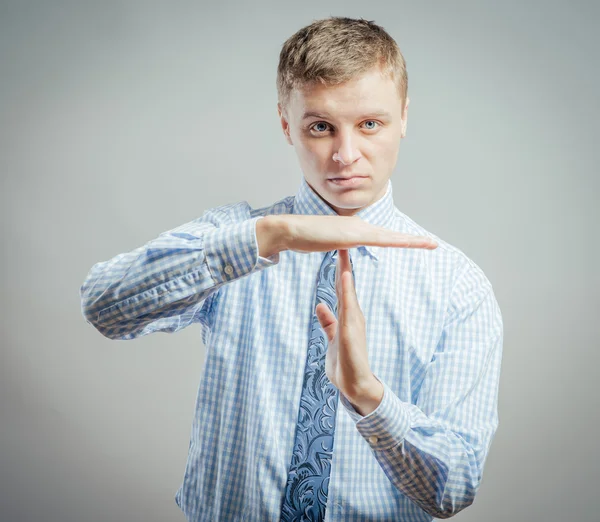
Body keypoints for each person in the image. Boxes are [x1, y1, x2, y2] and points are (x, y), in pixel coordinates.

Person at [80, 16, 503, 522]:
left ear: (404, 117)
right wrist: (269, 236)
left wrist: (369, 396)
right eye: (321, 127)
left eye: (371, 123)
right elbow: (104, 307)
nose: (346, 156)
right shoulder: (234, 238)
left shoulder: (458, 286)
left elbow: (453, 489)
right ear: (286, 124)